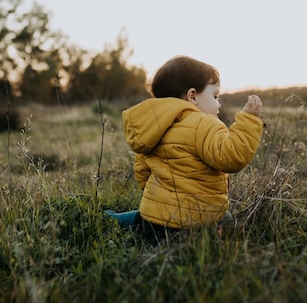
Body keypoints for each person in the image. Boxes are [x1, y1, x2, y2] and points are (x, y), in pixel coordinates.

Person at [106, 55, 264, 243]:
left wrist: (162, 196)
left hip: (154, 220)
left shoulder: (154, 126)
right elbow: (232, 157)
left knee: (150, 216)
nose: (219, 103)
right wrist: (249, 121)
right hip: (188, 224)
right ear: (193, 96)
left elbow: (142, 170)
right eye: (215, 96)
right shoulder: (203, 123)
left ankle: (123, 220)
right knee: (226, 226)